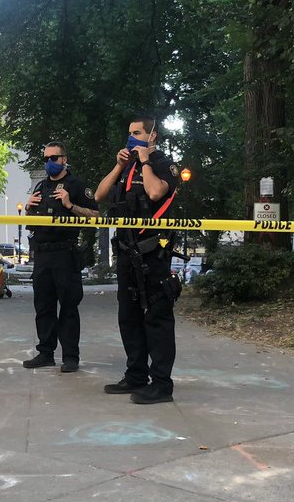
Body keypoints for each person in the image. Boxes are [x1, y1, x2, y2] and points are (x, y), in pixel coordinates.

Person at [94, 116, 181, 403]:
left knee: (156, 317)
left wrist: (145, 160)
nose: (131, 138)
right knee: (128, 317)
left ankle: (161, 384)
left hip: (153, 254)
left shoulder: (163, 165)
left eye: (137, 133)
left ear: (152, 135)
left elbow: (156, 192)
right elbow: (99, 195)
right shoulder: (126, 168)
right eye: (129, 133)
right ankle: (135, 375)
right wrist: (120, 164)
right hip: (126, 254)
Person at [23, 141, 99, 373]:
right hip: (42, 254)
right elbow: (30, 222)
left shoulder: (77, 185)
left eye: (53, 158)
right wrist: (27, 209)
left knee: (68, 307)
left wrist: (70, 204)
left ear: (64, 159)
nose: (49, 163)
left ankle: (70, 357)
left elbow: (95, 215)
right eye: (46, 159)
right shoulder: (40, 187)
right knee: (43, 307)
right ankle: (46, 353)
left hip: (65, 253)